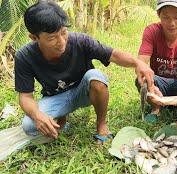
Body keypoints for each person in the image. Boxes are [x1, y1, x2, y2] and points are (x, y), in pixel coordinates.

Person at [14, 1, 154, 144]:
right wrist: (37, 116)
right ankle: (62, 119)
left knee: (96, 77)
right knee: (29, 126)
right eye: (52, 38)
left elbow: (114, 55)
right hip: (56, 97)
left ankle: (101, 125)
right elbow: (25, 96)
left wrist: (138, 63)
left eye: (63, 33)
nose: (61, 41)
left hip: (85, 92)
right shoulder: (24, 56)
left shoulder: (81, 41)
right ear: (34, 38)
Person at [136, 0, 177, 122]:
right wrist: (150, 84)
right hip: (158, 83)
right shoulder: (151, 31)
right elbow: (141, 63)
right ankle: (156, 108)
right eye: (166, 17)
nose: (171, 23)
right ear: (158, 14)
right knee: (142, 80)